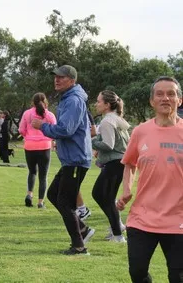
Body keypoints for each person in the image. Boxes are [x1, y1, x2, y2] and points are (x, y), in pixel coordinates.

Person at [117, 76, 183, 283]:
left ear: (179, 100)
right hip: (142, 217)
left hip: (178, 219)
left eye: (171, 93)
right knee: (137, 272)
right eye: (160, 94)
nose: (166, 98)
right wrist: (126, 190)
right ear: (152, 101)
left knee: (178, 276)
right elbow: (129, 163)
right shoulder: (140, 131)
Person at [32, 65, 94, 255]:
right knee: (53, 194)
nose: (57, 80)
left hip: (76, 159)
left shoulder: (74, 100)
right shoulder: (69, 98)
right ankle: (82, 229)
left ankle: (79, 245)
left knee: (65, 202)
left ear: (72, 80)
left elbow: (66, 129)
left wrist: (44, 126)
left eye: (62, 77)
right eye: (56, 77)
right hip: (71, 159)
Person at [91, 90, 129, 242]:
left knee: (100, 195)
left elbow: (108, 144)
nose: (96, 104)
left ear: (107, 105)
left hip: (114, 163)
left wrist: (92, 140)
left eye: (99, 101)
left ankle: (118, 234)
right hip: (119, 163)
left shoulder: (107, 121)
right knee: (107, 197)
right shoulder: (117, 118)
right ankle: (117, 228)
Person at [19, 92, 57, 208]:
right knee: (43, 175)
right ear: (45, 102)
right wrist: (49, 139)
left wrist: (28, 136)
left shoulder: (27, 113)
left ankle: (29, 194)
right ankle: (40, 202)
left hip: (29, 146)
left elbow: (21, 129)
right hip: (44, 146)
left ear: (32, 102)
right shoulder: (49, 115)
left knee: (32, 172)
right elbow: (55, 130)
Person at [75, 110, 97, 221]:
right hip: (79, 153)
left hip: (80, 153)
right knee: (73, 184)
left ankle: (83, 210)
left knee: (73, 183)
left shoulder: (86, 113)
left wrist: (81, 135)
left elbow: (94, 131)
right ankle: (81, 208)